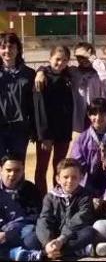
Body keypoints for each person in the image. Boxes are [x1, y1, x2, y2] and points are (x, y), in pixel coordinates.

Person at [14, 159, 95, 261]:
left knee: (89, 232)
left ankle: (49, 254)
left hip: (71, 235)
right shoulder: (50, 197)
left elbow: (80, 219)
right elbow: (44, 219)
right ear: (58, 179)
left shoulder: (85, 196)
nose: (70, 181)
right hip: (53, 235)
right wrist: (47, 242)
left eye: (74, 177)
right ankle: (64, 251)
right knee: (30, 240)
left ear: (81, 178)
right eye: (65, 177)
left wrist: (62, 239)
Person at [33, 46, 75, 197]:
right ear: (50, 58)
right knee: (42, 167)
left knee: (60, 167)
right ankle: (41, 200)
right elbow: (40, 109)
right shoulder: (42, 79)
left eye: (64, 60)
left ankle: (58, 198)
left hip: (63, 130)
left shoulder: (68, 76)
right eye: (57, 59)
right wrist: (44, 135)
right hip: (47, 133)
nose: (60, 63)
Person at [69, 98, 106, 203]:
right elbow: (78, 168)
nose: (98, 118)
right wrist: (90, 194)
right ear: (89, 115)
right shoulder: (82, 139)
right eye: (94, 114)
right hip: (87, 185)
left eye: (102, 114)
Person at [0, 33, 35, 163]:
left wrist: (33, 128)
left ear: (18, 49)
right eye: (3, 47)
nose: (7, 51)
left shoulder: (29, 74)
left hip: (20, 130)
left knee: (17, 166)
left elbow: (33, 104)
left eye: (11, 47)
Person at [0, 154, 42, 259]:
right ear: (1, 170)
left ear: (23, 171)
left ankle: (12, 254)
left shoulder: (30, 189)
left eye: (17, 170)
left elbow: (36, 216)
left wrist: (10, 234)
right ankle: (15, 254)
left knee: (33, 240)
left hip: (22, 231)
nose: (12, 174)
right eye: (8, 170)